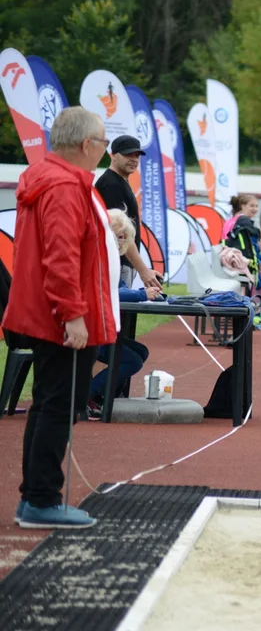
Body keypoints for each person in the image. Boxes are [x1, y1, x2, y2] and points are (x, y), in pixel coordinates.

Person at [3, 106, 120, 529]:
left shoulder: (50, 179)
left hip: (43, 311)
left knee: (50, 404)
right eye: (103, 144)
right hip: (59, 316)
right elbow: (62, 256)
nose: (105, 152)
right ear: (87, 145)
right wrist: (73, 314)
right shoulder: (65, 186)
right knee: (58, 406)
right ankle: (42, 499)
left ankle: (36, 497)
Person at [86, 210, 158, 419]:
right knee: (132, 361)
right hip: (88, 327)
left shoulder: (110, 260)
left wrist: (145, 295)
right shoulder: (95, 259)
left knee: (140, 352)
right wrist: (140, 294)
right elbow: (107, 294)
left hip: (99, 326)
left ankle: (102, 394)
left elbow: (119, 288)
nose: (119, 242)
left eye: (123, 237)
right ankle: (90, 393)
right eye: (116, 236)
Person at [94, 134, 162, 290]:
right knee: (122, 312)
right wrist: (143, 270)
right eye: (128, 154)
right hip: (117, 261)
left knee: (125, 312)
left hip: (122, 262)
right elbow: (121, 233)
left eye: (137, 155)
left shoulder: (119, 181)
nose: (134, 159)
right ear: (113, 156)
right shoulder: (111, 185)